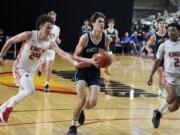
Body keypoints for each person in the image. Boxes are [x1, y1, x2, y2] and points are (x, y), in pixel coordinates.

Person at [0, 14, 79, 122]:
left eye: (51, 28)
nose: (50, 30)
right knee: (30, 90)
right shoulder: (29, 35)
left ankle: (2, 107)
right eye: (48, 27)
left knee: (22, 93)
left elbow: (64, 54)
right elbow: (10, 41)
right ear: (41, 26)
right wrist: (1, 56)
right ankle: (8, 108)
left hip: (31, 71)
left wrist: (75, 63)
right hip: (20, 67)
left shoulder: (50, 43)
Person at [68, 12, 110, 134]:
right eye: (99, 22)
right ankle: (73, 125)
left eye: (103, 22)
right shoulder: (85, 37)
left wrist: (106, 65)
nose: (102, 24)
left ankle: (81, 111)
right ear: (93, 24)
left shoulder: (106, 38)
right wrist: (90, 60)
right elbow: (75, 56)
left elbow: (106, 54)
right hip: (82, 70)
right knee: (81, 100)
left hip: (94, 72)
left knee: (92, 102)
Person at [147, 23, 180, 128]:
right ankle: (158, 112)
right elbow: (157, 61)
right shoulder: (164, 45)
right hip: (169, 75)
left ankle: (158, 114)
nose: (171, 32)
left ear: (179, 32)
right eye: (169, 30)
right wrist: (151, 76)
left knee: (174, 107)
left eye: (173, 30)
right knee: (173, 95)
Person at [38, 11, 61, 92]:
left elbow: (57, 38)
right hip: (44, 49)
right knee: (42, 66)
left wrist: (58, 40)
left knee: (49, 67)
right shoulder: (44, 26)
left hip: (51, 50)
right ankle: (40, 70)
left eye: (54, 18)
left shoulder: (57, 28)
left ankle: (47, 84)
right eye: (51, 17)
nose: (53, 19)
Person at [146, 17, 168, 96]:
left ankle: (169, 88)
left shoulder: (169, 33)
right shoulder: (154, 36)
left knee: (167, 75)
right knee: (161, 74)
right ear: (157, 25)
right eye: (160, 23)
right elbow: (147, 45)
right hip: (159, 57)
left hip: (169, 57)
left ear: (165, 24)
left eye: (163, 23)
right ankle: (161, 89)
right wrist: (149, 50)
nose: (162, 25)